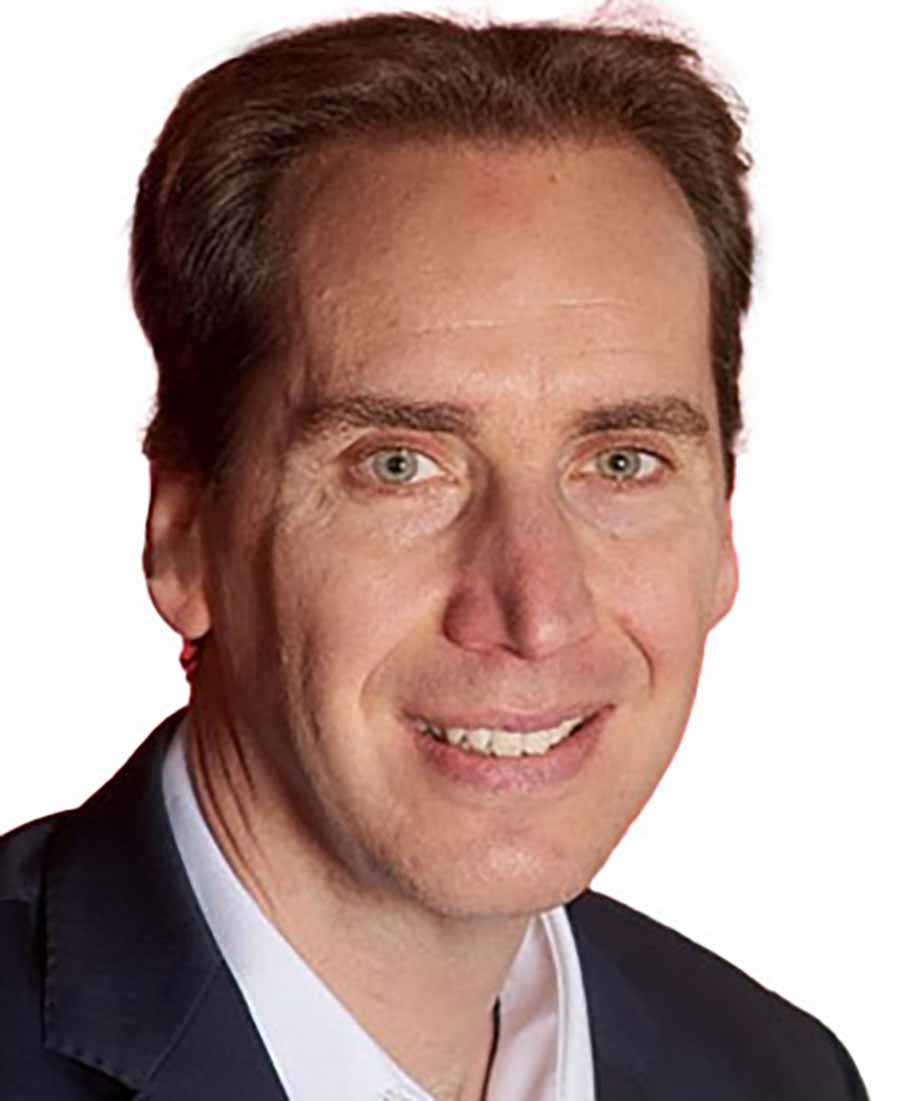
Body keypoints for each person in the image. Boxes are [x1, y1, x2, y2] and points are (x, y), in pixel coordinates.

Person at [0, 11, 869, 1100]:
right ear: (185, 536)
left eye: (623, 462)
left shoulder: (775, 1072)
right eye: (400, 465)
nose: (536, 610)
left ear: (724, 530)